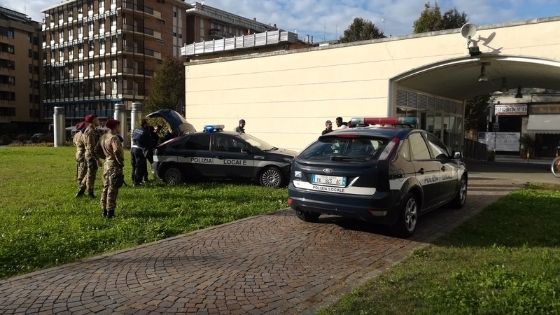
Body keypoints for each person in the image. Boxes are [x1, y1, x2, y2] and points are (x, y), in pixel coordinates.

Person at [99, 119, 124, 218]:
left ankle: (104, 209)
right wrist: (120, 162)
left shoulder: (104, 137)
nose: (119, 128)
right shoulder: (114, 138)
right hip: (114, 165)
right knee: (112, 189)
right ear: (115, 127)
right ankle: (110, 212)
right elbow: (117, 151)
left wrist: (106, 158)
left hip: (106, 164)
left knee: (105, 187)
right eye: (118, 126)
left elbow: (99, 150)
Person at [76, 114, 101, 198]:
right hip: (91, 155)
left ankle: (81, 189)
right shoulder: (90, 131)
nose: (98, 120)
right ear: (93, 120)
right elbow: (91, 147)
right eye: (97, 119)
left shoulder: (94, 130)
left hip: (91, 155)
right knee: (91, 175)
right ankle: (90, 192)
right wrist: (97, 159)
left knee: (89, 173)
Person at [131, 119, 153, 186]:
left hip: (132, 148)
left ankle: (133, 179)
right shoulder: (146, 132)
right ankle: (137, 182)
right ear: (145, 124)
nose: (148, 125)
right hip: (139, 150)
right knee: (139, 166)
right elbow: (149, 142)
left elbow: (133, 137)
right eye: (148, 124)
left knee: (134, 165)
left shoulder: (136, 130)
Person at [73, 121, 87, 187]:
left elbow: (74, 143)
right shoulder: (84, 135)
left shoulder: (76, 134)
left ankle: (79, 179)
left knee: (78, 167)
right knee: (83, 168)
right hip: (83, 153)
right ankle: (80, 182)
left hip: (77, 153)